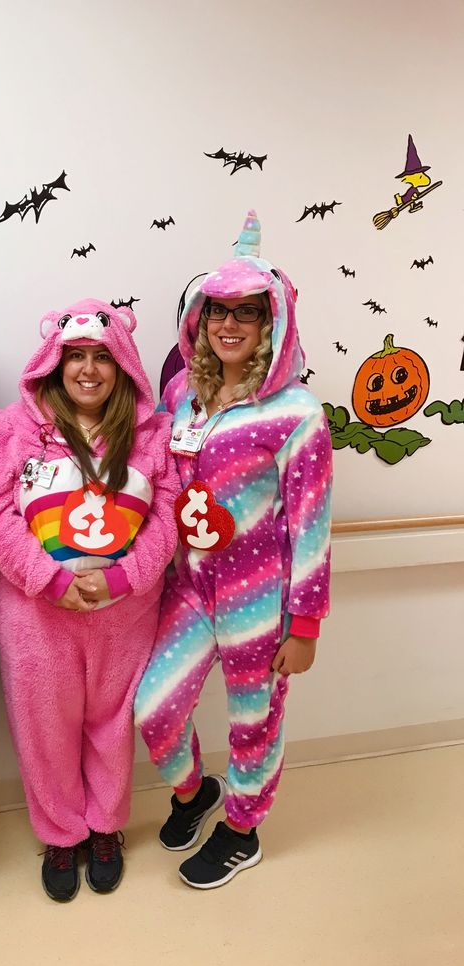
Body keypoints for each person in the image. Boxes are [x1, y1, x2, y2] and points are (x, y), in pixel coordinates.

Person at [135, 210, 332, 889]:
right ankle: (193, 792)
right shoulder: (179, 398)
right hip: (188, 587)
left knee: (254, 721)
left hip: (259, 597)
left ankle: (242, 827)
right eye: (218, 311)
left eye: (245, 315)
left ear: (268, 325)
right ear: (199, 319)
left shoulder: (297, 413)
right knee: (154, 709)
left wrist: (303, 625)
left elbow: (311, 523)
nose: (228, 325)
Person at [0, 298, 179, 902]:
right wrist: (52, 580)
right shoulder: (11, 430)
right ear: (54, 362)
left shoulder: (154, 436)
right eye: (76, 357)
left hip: (126, 615)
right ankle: (61, 832)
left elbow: (166, 517)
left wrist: (124, 579)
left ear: (124, 366)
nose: (89, 370)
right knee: (44, 727)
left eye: (103, 357)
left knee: (112, 724)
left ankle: (106, 829)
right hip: (36, 615)